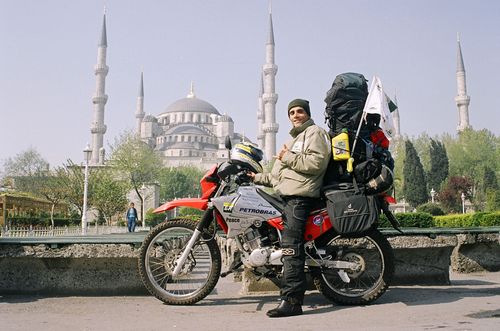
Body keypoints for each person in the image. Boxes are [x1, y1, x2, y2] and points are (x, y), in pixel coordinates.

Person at [249, 98, 331, 317]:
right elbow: (279, 176)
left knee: (291, 247)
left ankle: (292, 301)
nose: (296, 115)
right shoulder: (294, 139)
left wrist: (287, 156)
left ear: (307, 114)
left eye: (300, 111)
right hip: (286, 194)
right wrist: (255, 177)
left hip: (299, 198)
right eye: (292, 112)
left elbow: (316, 164)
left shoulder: (315, 133)